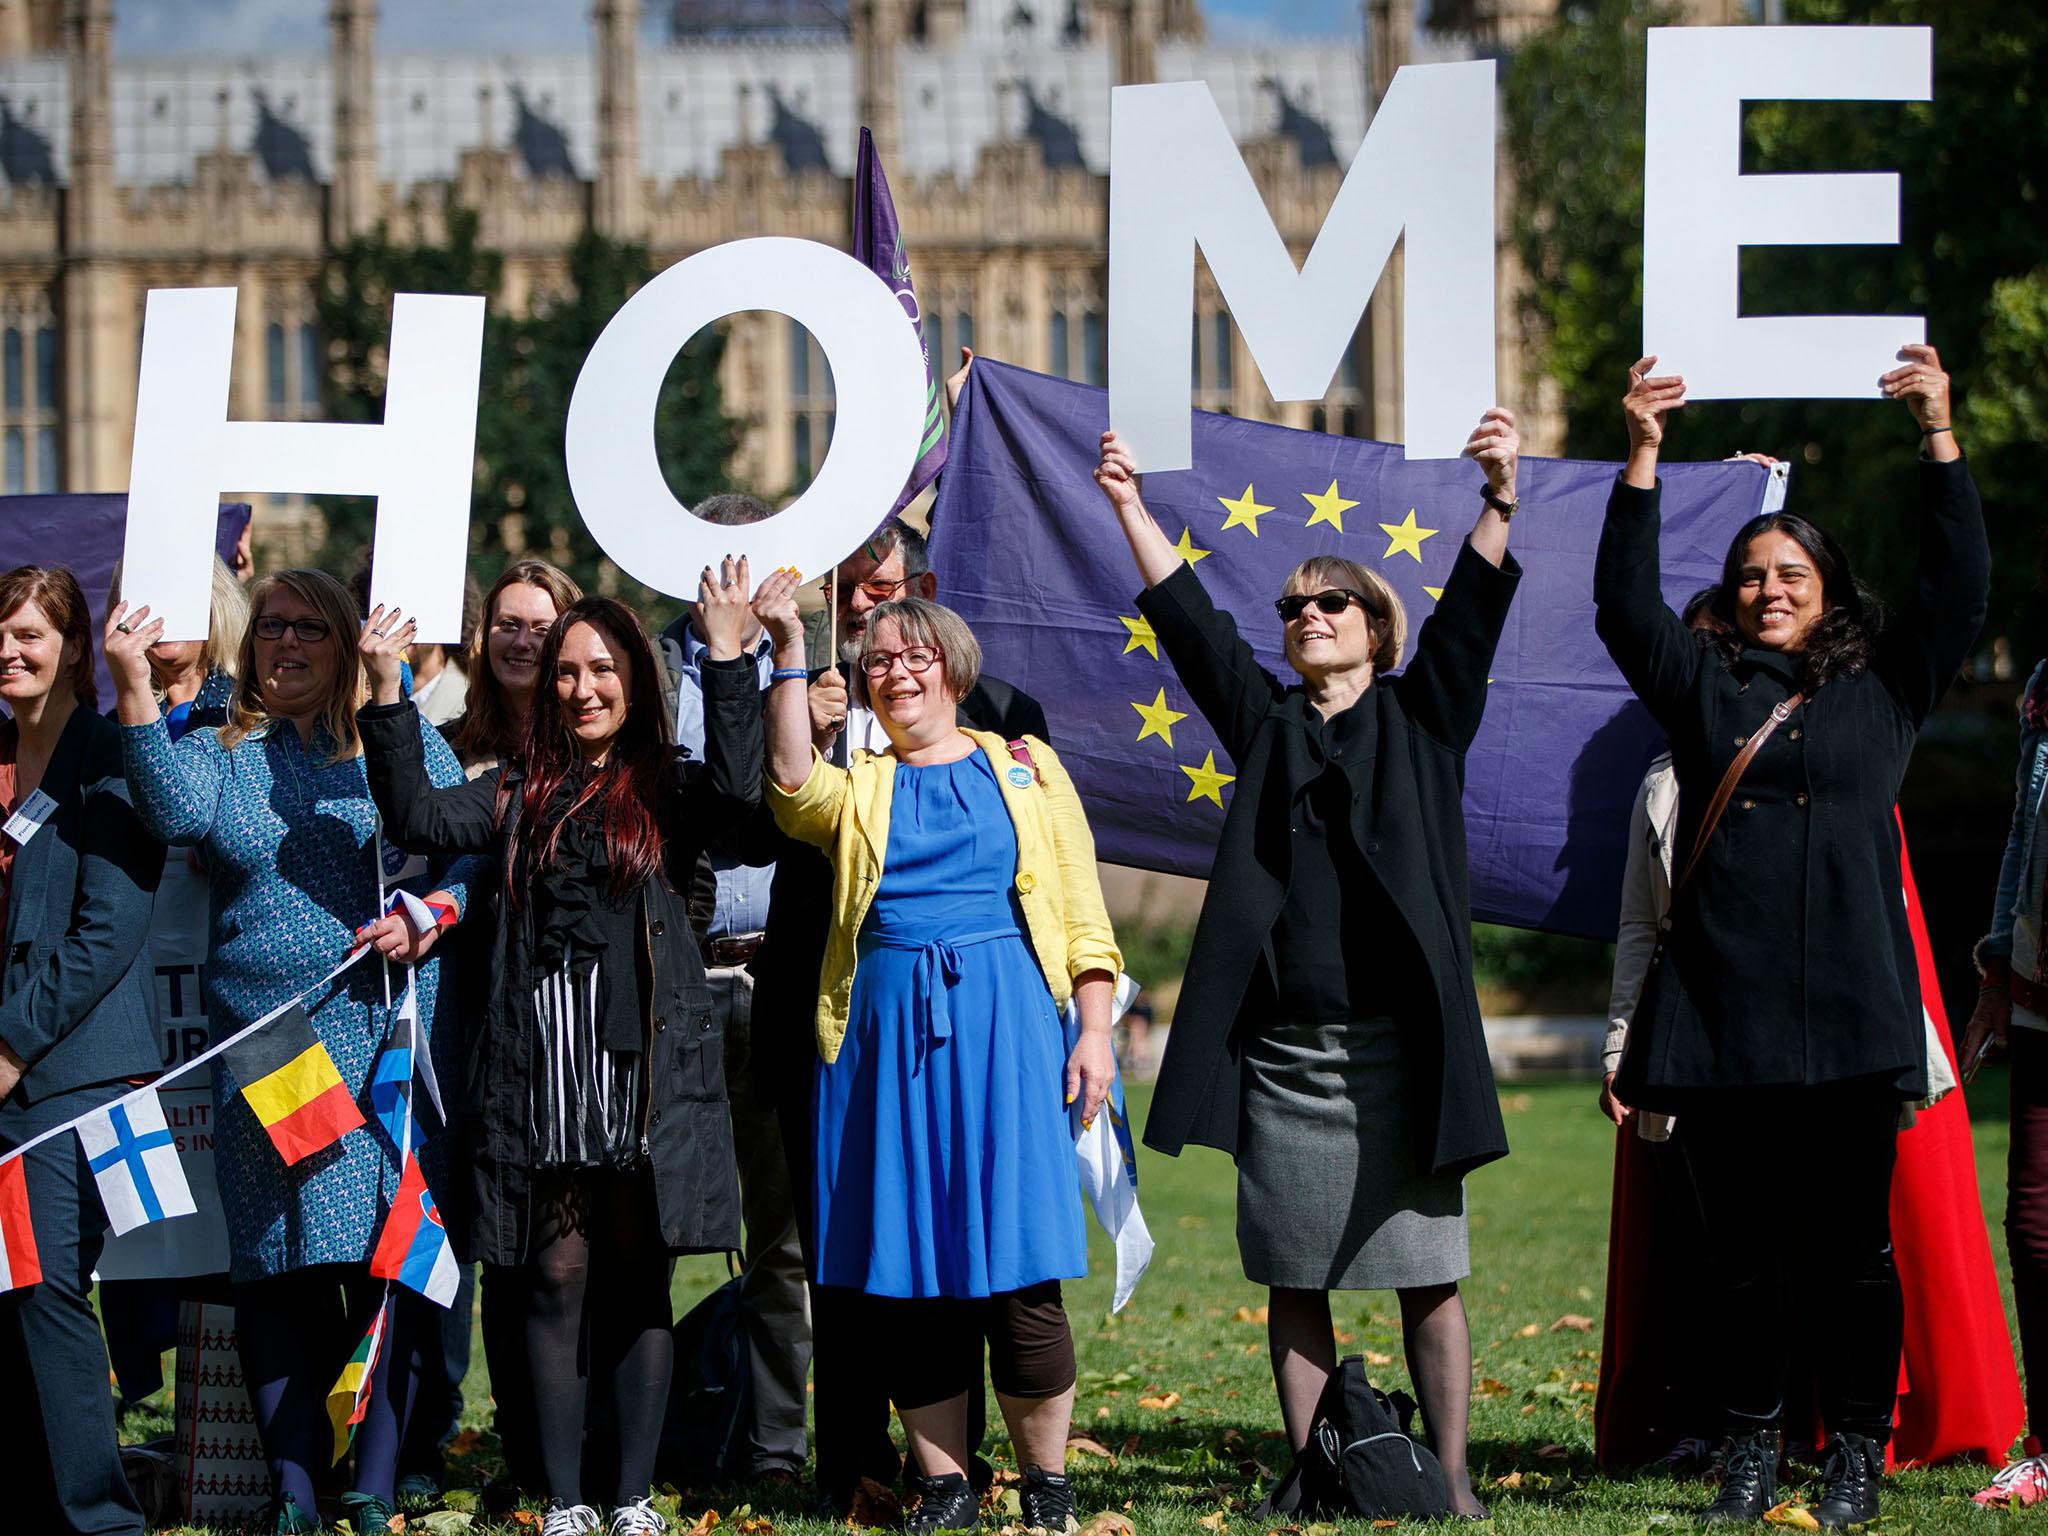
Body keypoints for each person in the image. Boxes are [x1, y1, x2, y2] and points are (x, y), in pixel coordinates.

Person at [1094, 408, 1523, 1520]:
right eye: (1290, 608)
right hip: (1284, 1057)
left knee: (1426, 1271)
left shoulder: (1422, 722)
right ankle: (1309, 1466)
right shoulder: (1266, 725)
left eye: (1328, 602)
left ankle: (1456, 1477)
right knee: (1294, 1274)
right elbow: (1186, 623)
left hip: (1400, 1054)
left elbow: (1470, 619)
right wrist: (1129, 507)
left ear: (1375, 629)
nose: (1304, 617)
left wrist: (1498, 501)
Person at [1593, 345, 1987, 1527]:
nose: (1769, 588)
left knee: (1853, 1252)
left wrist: (1937, 435)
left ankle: (1855, 1451)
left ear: (1828, 587)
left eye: (1791, 573)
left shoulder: (1886, 691)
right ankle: (1750, 1451)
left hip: (1853, 1019)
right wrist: (1643, 458)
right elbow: (1619, 604)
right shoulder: (1701, 691)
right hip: (1724, 1023)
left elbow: (1958, 586)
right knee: (1743, 1255)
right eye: (1753, 574)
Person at [353, 564, 766, 1536]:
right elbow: (413, 812)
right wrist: (385, 685)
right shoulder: (511, 793)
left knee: (637, 1283)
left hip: (638, 1074)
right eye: (567, 673)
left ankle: (630, 1497)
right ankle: (565, 1497)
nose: (582, 687)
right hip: (541, 1076)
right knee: (551, 1280)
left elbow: (746, 800)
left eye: (601, 668)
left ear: (634, 677)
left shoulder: (667, 791)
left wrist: (732, 652)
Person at [109, 570, 481, 1536]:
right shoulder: (227, 750)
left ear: (346, 641)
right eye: (269, 627)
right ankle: (294, 1488)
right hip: (270, 1048)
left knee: (387, 1257)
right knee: (282, 1268)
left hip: (386, 1037)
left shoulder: (398, 743)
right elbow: (176, 815)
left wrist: (435, 910)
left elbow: (475, 850)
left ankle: (379, 1478)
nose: (283, 644)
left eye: (307, 628)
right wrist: (136, 692)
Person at [758, 575, 1120, 1536]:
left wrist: (1094, 1030)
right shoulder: (862, 782)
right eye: (878, 660)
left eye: (914, 655)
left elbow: (1083, 911)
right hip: (883, 1045)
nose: (895, 671)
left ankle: (1048, 1488)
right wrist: (790, 652)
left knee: (1020, 1271)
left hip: (1007, 1029)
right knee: (906, 1272)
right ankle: (946, 1487)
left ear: (954, 668)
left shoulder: (1023, 766)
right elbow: (792, 787)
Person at [406, 558, 582, 1507]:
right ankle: (428, 1435)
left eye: (538, 623)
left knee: (536, 1253)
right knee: (450, 1237)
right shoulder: (444, 745)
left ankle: (535, 1446)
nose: (521, 637)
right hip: (454, 1018)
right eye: (505, 623)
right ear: (483, 638)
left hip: (554, 1023)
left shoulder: (589, 743)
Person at [0, 566, 165, 1536]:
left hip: (72, 1071)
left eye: (31, 634)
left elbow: (109, 930)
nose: (12, 652)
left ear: (73, 648)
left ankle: (101, 1520)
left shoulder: (107, 756)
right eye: (1, 634)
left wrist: (14, 1045)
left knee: (48, 1286)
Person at [655, 494, 810, 1486]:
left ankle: (773, 1452)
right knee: (648, 1229)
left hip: (780, 980)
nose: (728, 584)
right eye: (709, 563)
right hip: (675, 982)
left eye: (744, 564)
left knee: (781, 1242)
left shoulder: (814, 680)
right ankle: (628, 1445)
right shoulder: (641, 671)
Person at [94, 556, 248, 1407]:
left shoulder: (246, 720)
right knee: (138, 1202)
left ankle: (225, 1426)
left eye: (173, 598)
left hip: (228, 1006)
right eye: (132, 601)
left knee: (228, 1210)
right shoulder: (101, 726)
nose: (152, 617)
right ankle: (135, 1390)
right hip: (134, 1010)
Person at [1962, 623, 2048, 1507]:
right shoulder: (2046, 686)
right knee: (2035, 1225)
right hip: (2039, 983)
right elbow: (2024, 837)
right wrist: (1995, 972)